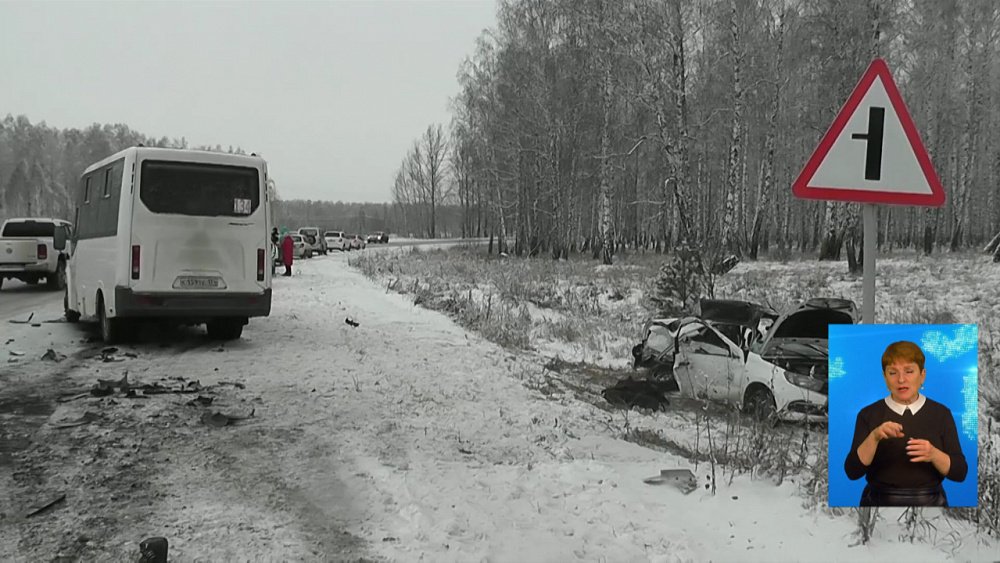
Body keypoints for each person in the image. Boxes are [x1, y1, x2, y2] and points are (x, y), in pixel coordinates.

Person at [844, 341, 968, 506]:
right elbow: (852, 472)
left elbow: (960, 473)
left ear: (922, 375)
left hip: (931, 502)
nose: (901, 379)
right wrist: (874, 437)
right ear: (885, 378)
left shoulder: (941, 414)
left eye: (909, 371)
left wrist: (933, 454)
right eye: (893, 373)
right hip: (878, 502)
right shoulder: (868, 414)